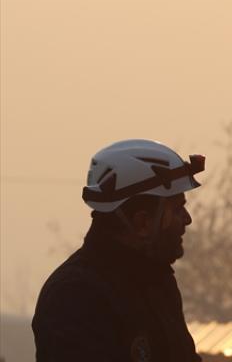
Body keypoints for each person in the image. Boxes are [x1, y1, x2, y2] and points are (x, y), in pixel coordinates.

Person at [33, 139, 205, 361]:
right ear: (143, 223)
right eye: (178, 208)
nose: (187, 219)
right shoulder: (74, 296)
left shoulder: (157, 283)